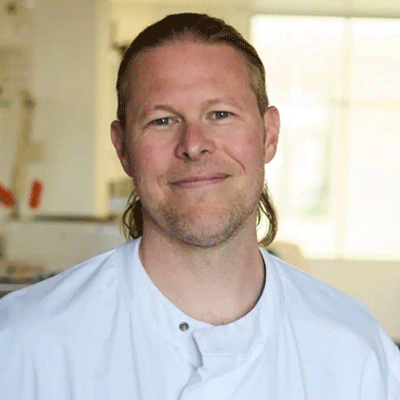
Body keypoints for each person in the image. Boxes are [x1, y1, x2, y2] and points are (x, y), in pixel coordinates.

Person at [0, 13, 399, 400]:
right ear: (122, 148)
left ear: (269, 134)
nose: (193, 144)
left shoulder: (355, 352)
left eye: (221, 114)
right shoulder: (23, 345)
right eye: (162, 120)